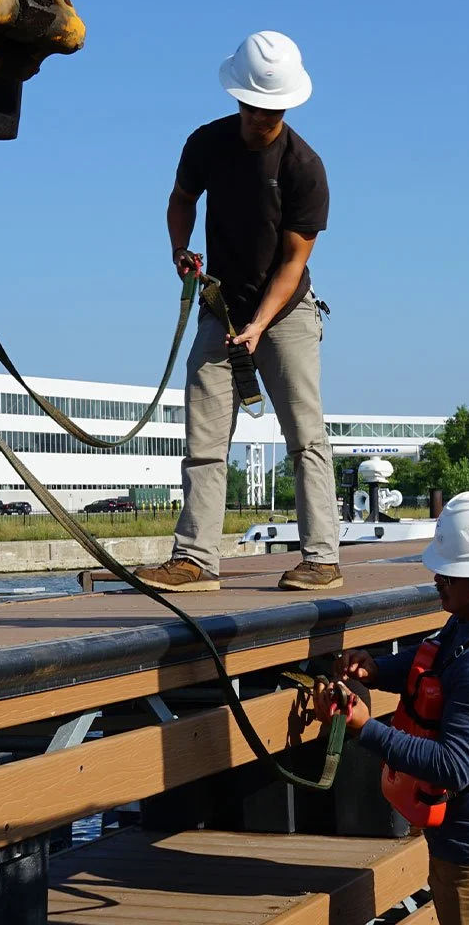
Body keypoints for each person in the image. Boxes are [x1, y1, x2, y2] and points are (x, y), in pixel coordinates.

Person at [134, 31, 341, 593]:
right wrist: (179, 249)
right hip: (220, 307)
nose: (258, 117)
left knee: (305, 437)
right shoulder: (207, 143)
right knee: (203, 440)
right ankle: (195, 561)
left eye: (269, 109)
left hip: (286, 313)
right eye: (250, 105)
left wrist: (258, 326)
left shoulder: (304, 167)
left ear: (287, 105)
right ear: (237, 96)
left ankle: (321, 559)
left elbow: (293, 264)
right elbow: (181, 199)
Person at [313, 491, 469, 925]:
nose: (438, 579)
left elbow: (452, 766)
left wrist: (362, 727)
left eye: (450, 573)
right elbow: (439, 659)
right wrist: (377, 670)